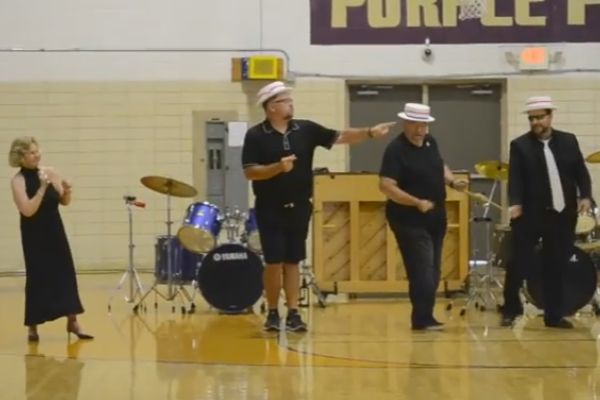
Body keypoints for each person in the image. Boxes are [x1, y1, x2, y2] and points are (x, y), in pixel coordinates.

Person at [241, 81, 395, 332]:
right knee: (273, 262)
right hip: (270, 207)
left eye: (289, 99)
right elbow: (250, 172)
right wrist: (278, 168)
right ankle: (271, 311)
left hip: (300, 205)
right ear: (271, 108)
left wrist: (369, 132)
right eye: (284, 100)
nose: (291, 103)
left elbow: (340, 136)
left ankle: (293, 312)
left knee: (293, 262)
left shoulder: (306, 129)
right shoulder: (256, 135)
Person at [500, 96, 592, 328]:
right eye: (531, 119)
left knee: (556, 265)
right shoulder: (520, 145)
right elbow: (516, 179)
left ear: (550, 116)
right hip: (530, 214)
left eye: (539, 117)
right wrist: (515, 203)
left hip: (563, 214)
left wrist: (585, 196)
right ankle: (511, 309)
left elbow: (581, 172)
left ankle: (554, 314)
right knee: (518, 262)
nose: (535, 122)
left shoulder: (568, 141)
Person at [378, 103, 467, 331]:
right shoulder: (395, 150)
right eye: (416, 124)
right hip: (407, 219)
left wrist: (452, 181)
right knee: (422, 268)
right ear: (406, 123)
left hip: (436, 215)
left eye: (424, 125)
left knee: (434, 269)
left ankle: (426, 315)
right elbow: (386, 186)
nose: (420, 130)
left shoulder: (430, 142)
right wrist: (416, 202)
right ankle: (421, 318)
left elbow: (440, 164)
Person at [9, 136, 93, 342]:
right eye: (31, 152)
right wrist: (41, 189)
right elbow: (27, 210)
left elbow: (63, 201)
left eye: (37, 151)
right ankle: (33, 326)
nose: (37, 155)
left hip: (55, 231)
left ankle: (73, 321)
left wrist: (68, 190)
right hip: (33, 235)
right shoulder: (17, 181)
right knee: (38, 277)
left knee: (65, 274)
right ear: (20, 157)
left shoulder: (50, 172)